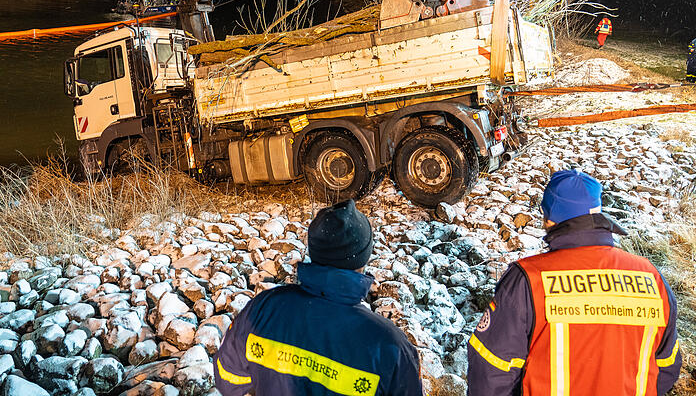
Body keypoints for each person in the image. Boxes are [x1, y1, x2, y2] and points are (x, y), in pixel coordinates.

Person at [467, 169, 681, 396]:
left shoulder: (529, 279)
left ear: (549, 219)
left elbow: (492, 371)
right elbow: (667, 366)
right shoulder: (652, 277)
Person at [213, 199, 422, 395]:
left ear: (314, 251)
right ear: (363, 258)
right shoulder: (390, 345)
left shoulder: (262, 308)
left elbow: (227, 379)